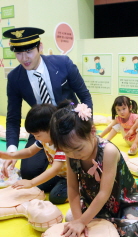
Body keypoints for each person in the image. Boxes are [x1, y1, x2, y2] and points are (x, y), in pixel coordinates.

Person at [49, 100, 138, 237]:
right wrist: (80, 220)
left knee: (132, 235)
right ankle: (99, 221)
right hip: (94, 202)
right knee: (72, 218)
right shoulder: (71, 153)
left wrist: (83, 221)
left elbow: (105, 192)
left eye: (78, 149)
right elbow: (72, 188)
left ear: (92, 132)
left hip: (122, 202)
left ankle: (126, 216)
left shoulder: (108, 151)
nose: (74, 155)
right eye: (67, 151)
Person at [2, 27, 92, 182]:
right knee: (29, 172)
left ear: (40, 47)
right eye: (18, 53)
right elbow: (13, 118)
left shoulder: (63, 63)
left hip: (70, 125)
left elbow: (84, 95)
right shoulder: (15, 78)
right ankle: (61, 176)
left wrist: (85, 127)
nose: (24, 58)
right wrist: (11, 151)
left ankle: (66, 176)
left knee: (86, 164)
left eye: (29, 51)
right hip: (42, 130)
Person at [0, 104, 67, 204]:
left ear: (51, 129)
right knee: (37, 188)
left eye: (38, 135)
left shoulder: (62, 144)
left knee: (56, 196)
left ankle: (80, 191)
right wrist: (11, 155)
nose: (35, 138)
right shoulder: (44, 140)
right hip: (59, 176)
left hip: (71, 178)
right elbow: (29, 151)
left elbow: (54, 169)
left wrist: (31, 182)